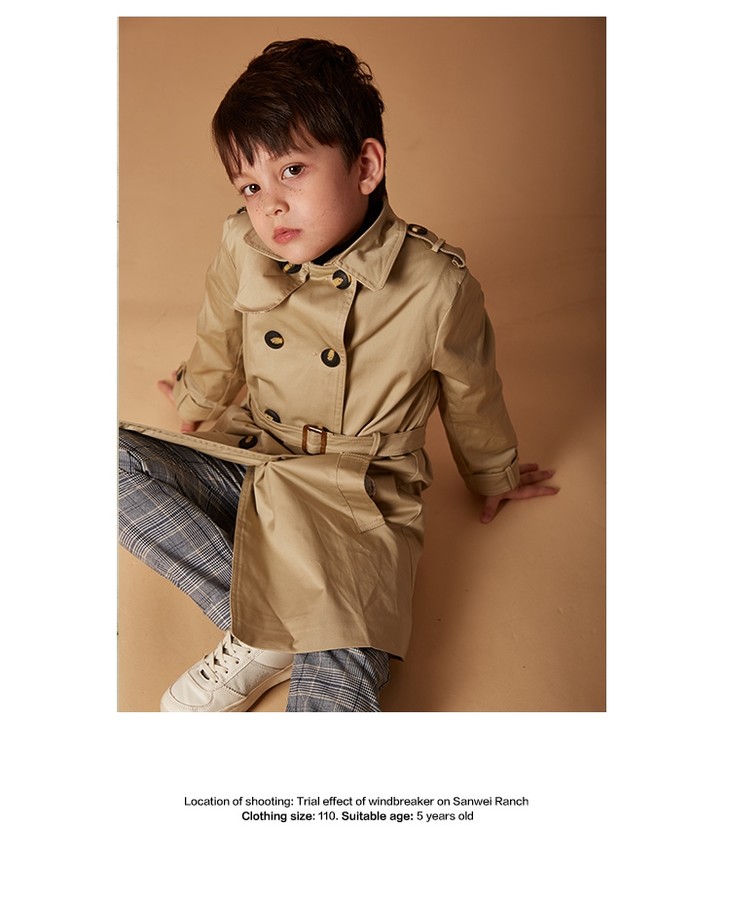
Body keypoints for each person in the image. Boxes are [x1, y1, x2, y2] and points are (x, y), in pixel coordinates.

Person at [118, 37, 558, 713]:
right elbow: (220, 332)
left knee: (336, 698)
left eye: (292, 170)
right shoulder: (242, 244)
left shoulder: (437, 286)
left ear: (365, 166)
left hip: (360, 503)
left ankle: (282, 629)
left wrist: (493, 473)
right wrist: (198, 395)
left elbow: (473, 391)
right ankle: (263, 626)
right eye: (251, 186)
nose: (270, 204)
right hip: (258, 464)